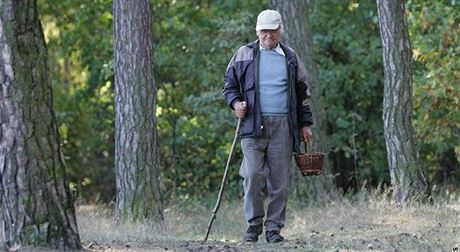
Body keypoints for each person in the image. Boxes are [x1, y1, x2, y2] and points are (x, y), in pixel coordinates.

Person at [223, 9, 313, 243]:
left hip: (284, 125)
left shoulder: (291, 57)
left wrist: (305, 124)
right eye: (264, 30)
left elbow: (303, 92)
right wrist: (235, 104)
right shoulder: (243, 54)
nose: (269, 35)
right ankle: (254, 225)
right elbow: (229, 85)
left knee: (280, 181)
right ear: (257, 30)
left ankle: (273, 229)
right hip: (253, 125)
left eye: (273, 30)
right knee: (252, 175)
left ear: (280, 30)